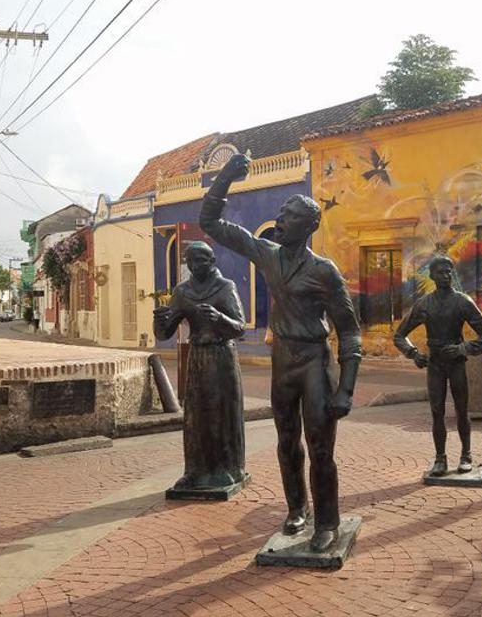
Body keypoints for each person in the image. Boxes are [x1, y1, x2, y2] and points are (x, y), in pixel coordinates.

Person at [200, 153, 362, 554]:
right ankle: (296, 510)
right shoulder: (267, 254)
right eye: (281, 215)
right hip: (283, 360)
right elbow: (211, 223)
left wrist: (346, 390)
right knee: (287, 440)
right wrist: (225, 176)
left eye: (288, 217)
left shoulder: (324, 271)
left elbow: (349, 332)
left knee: (321, 447)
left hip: (315, 362)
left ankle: (328, 521)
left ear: (308, 226)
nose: (280, 221)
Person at [154, 242, 247, 493]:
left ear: (212, 261)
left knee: (221, 413)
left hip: (222, 356)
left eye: (201, 260)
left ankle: (227, 468)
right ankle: (194, 472)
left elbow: (240, 328)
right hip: (198, 357)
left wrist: (219, 318)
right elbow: (164, 333)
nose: (196, 266)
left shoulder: (226, 287)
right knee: (195, 415)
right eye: (191, 261)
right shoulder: (182, 291)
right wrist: (159, 321)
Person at [393, 255, 482, 477]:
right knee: (437, 412)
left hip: (456, 363)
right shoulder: (424, 304)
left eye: (449, 271)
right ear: (432, 276)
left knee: (461, 410)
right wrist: (413, 353)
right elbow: (399, 335)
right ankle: (440, 458)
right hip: (435, 364)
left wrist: (463, 348)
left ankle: (466, 455)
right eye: (441, 272)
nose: (446, 275)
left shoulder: (462, 302)